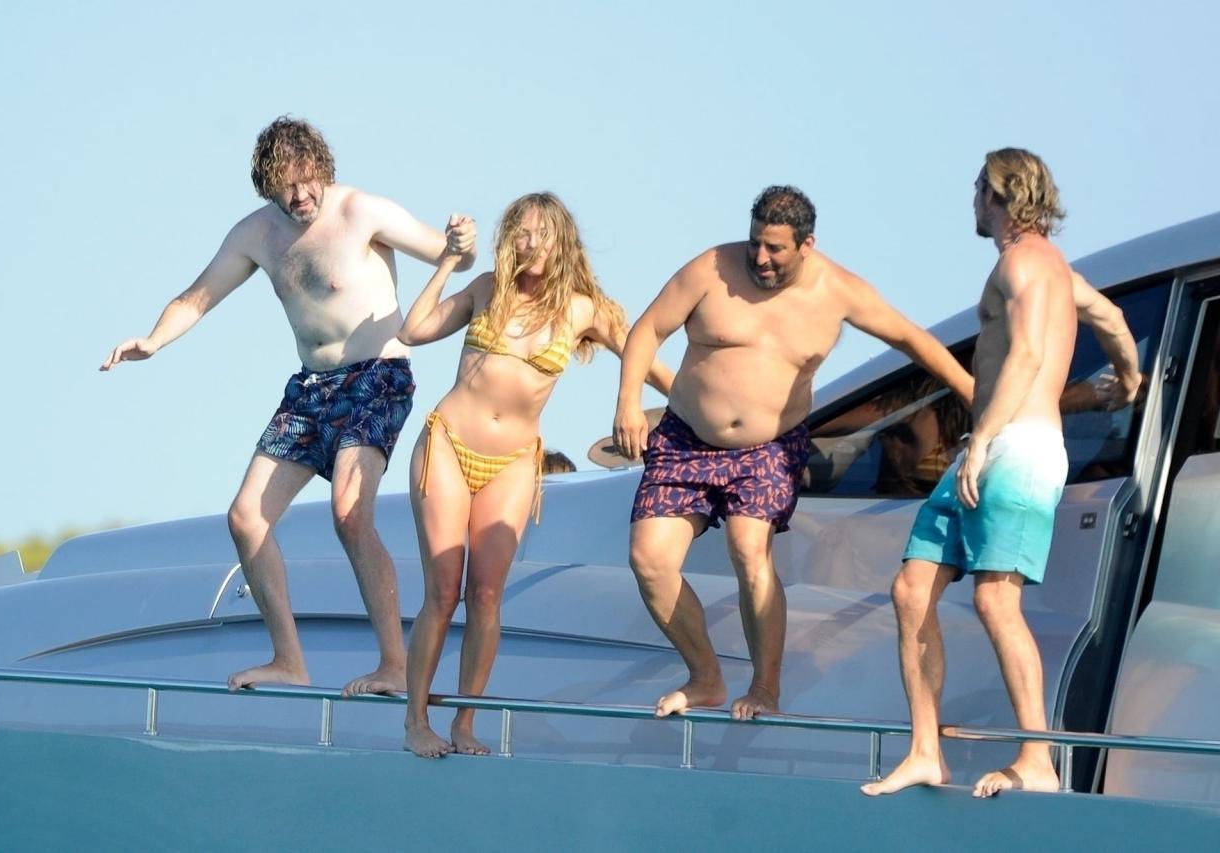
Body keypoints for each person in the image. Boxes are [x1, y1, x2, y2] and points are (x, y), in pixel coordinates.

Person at [100, 117, 476, 695]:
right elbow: (197, 296)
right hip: (310, 390)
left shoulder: (362, 212)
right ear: (267, 187)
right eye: (286, 188)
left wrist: (459, 245)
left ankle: (394, 666)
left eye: (308, 183)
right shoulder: (255, 234)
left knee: (350, 514)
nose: (300, 197)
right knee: (245, 518)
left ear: (323, 171)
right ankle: (289, 660)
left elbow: (450, 255)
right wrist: (152, 339)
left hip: (377, 376)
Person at [612, 185, 974, 721]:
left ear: (807, 245)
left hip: (767, 446)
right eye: (756, 242)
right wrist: (626, 401)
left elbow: (911, 339)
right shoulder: (710, 268)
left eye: (775, 249)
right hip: (685, 437)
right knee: (649, 559)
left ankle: (764, 687)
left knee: (748, 547)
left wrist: (972, 394)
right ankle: (705, 676)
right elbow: (648, 330)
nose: (760, 257)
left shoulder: (838, 290)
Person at [861, 148, 1140, 798]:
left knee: (994, 597)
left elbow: (1028, 353)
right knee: (911, 589)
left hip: (1014, 448)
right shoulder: (1057, 270)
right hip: (993, 448)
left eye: (977, 189)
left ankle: (1037, 758)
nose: (972, 201)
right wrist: (1124, 382)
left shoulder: (1019, 262)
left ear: (998, 195)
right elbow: (1116, 324)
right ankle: (926, 750)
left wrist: (982, 439)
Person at [396, 192, 674, 758]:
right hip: (448, 442)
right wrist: (449, 259)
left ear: (562, 240)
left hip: (515, 459)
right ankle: (415, 721)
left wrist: (691, 407)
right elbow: (413, 330)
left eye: (542, 234)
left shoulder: (583, 309)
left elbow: (642, 353)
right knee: (444, 591)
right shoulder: (488, 291)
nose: (530, 244)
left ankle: (466, 723)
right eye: (520, 233)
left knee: (488, 593)